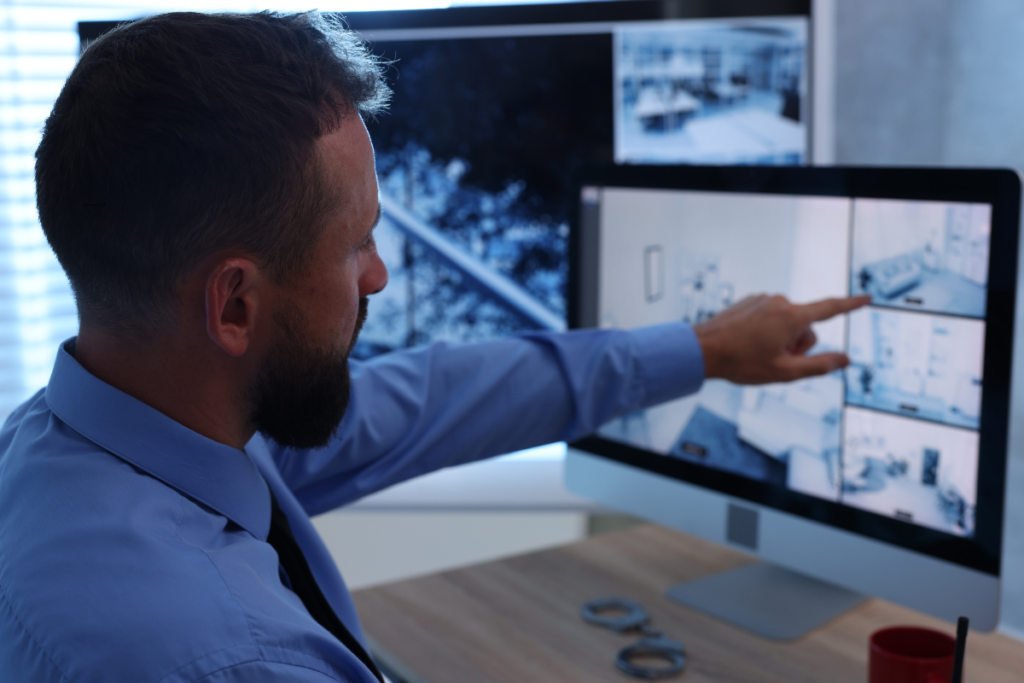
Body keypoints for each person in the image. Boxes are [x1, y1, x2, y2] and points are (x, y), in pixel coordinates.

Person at [0, 11, 866, 682]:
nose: (378, 275)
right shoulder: (237, 654)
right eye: (357, 243)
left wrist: (703, 348)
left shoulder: (68, 444)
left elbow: (427, 400)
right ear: (234, 304)